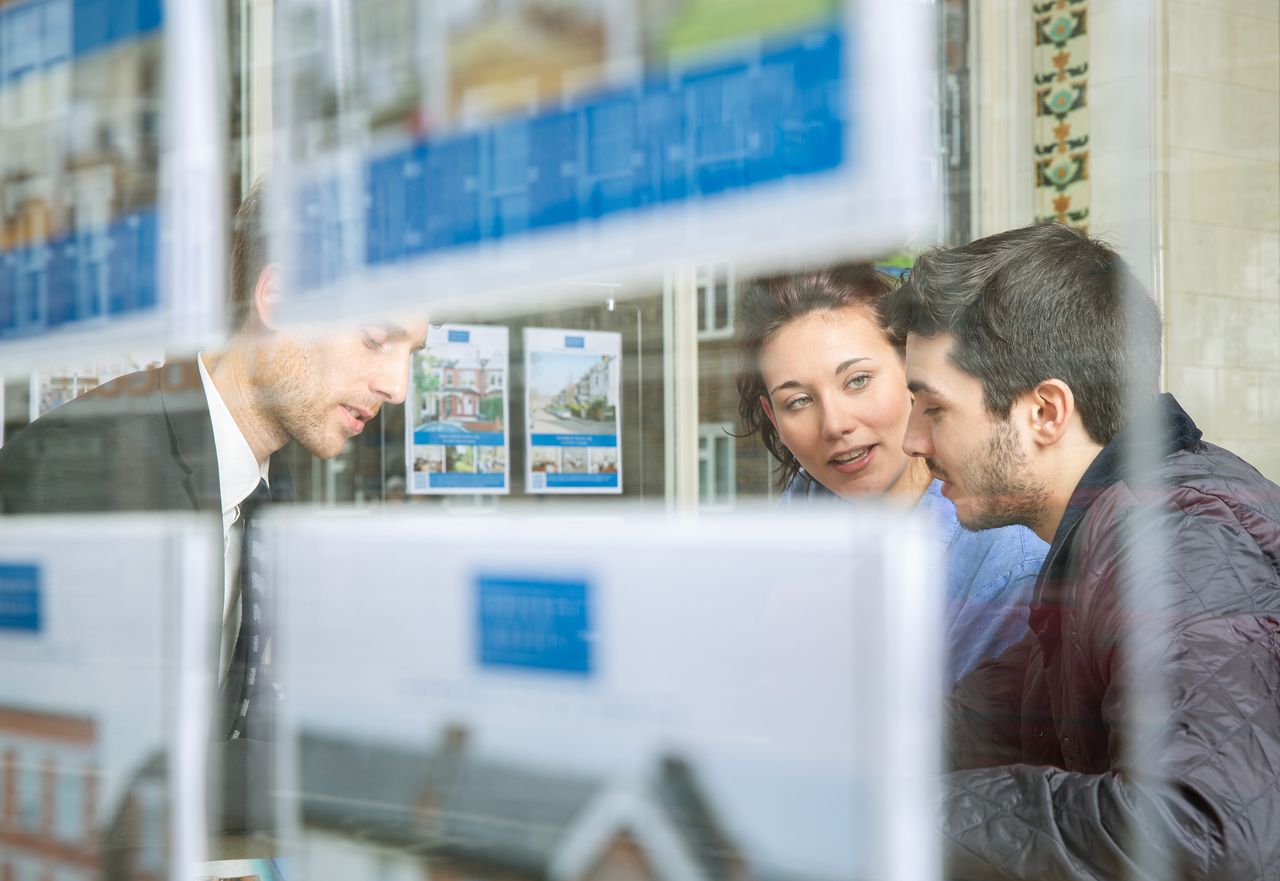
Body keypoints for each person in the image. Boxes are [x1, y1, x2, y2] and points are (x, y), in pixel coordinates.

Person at [0, 179, 427, 835]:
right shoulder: (95, 469)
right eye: (375, 339)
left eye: (410, 355)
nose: (396, 385)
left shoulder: (255, 489)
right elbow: (90, 776)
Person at [888, 222, 1280, 880]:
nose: (910, 440)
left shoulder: (1179, 541)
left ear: (1045, 411)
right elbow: (978, 722)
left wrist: (905, 816)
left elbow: (1207, 833)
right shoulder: (1104, 538)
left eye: (933, 407)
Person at [736, 265, 1047, 686]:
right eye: (798, 401)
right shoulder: (809, 498)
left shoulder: (1006, 557)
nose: (834, 424)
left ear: (911, 370)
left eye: (857, 380)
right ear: (772, 416)